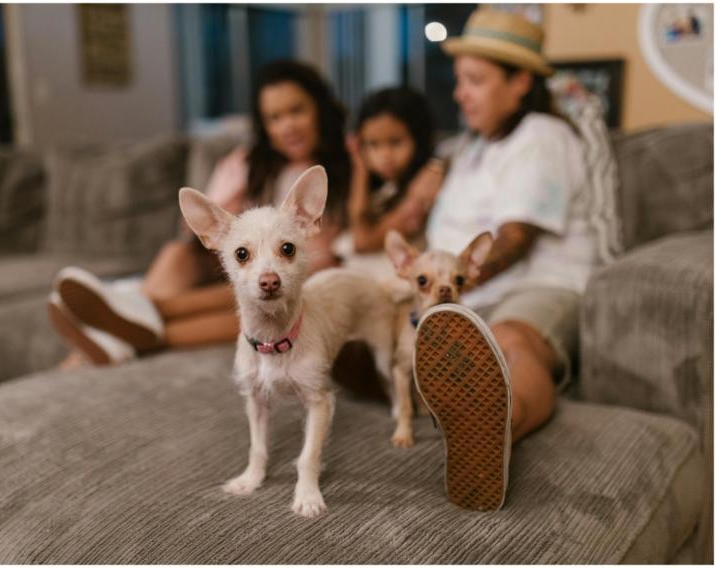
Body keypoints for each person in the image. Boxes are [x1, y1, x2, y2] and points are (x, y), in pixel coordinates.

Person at [411, 9, 599, 511]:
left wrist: (446, 291)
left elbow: (514, 240)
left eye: (474, 81)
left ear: (519, 83)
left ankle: (493, 433)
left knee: (513, 339)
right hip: (470, 301)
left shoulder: (541, 135)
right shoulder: (470, 148)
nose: (459, 94)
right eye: (458, 81)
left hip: (542, 283)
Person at [49, 60, 351, 368]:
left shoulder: (347, 164)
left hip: (293, 277)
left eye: (296, 110)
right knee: (178, 252)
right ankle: (112, 332)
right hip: (234, 262)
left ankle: (130, 319)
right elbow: (201, 226)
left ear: (320, 108)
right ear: (264, 126)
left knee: (262, 302)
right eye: (275, 118)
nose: (287, 126)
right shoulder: (248, 163)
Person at [334, 86, 444, 276]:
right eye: (373, 145)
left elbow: (362, 241)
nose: (384, 156)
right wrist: (360, 168)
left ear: (419, 139)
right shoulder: (382, 188)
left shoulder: (424, 185)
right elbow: (358, 219)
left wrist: (360, 171)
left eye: (395, 142)